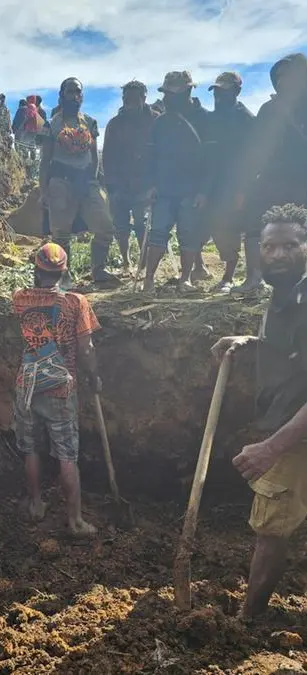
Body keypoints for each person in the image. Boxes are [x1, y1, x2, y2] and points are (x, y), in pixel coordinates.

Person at [211, 204, 307, 620]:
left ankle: (247, 621)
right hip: (287, 430)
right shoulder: (283, 294)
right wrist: (251, 340)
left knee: (270, 531)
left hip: (293, 437)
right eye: (270, 246)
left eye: (290, 245)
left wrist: (271, 448)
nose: (279, 254)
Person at [13, 243, 100, 537]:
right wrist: (93, 377)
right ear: (64, 272)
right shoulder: (76, 302)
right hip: (61, 387)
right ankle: (75, 521)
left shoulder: (20, 298)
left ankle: (36, 504)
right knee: (66, 454)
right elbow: (86, 348)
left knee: (31, 448)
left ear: (36, 270)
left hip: (27, 384)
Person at [234, 54, 307, 295]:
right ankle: (255, 278)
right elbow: (254, 150)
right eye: (279, 76)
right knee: (255, 227)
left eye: (290, 75)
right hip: (271, 180)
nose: (284, 81)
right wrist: (244, 186)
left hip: (302, 179)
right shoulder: (269, 109)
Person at [39, 77, 118, 284]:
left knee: (105, 226)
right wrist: (43, 191)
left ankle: (98, 270)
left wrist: (93, 181)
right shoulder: (51, 125)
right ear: (61, 95)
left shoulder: (90, 123)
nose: (74, 96)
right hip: (60, 182)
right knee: (61, 233)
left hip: (86, 182)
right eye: (70, 92)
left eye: (78, 92)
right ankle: (63, 275)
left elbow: (94, 156)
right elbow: (45, 160)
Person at [143, 71, 214, 292]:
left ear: (187, 92)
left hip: (191, 190)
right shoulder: (161, 122)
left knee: (189, 236)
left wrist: (204, 191)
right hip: (164, 188)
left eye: (172, 94)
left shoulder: (204, 119)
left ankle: (185, 280)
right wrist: (151, 184)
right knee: (158, 234)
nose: (166, 98)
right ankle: (149, 280)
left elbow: (211, 161)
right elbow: (151, 157)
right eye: (166, 93)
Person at [205, 72, 255, 293]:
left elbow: (251, 159)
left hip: (236, 184)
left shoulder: (246, 120)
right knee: (218, 227)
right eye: (216, 91)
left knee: (233, 227)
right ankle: (227, 271)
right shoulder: (213, 118)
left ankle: (230, 277)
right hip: (214, 183)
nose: (218, 95)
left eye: (223, 91)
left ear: (236, 91)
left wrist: (242, 190)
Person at [103, 81, 159, 269]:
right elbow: (108, 157)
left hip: (145, 183)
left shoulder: (155, 121)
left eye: (135, 98)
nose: (130, 102)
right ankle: (126, 261)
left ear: (144, 98)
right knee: (121, 224)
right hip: (120, 184)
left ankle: (144, 263)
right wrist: (111, 187)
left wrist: (154, 183)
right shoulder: (115, 124)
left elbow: (161, 154)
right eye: (127, 99)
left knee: (141, 223)